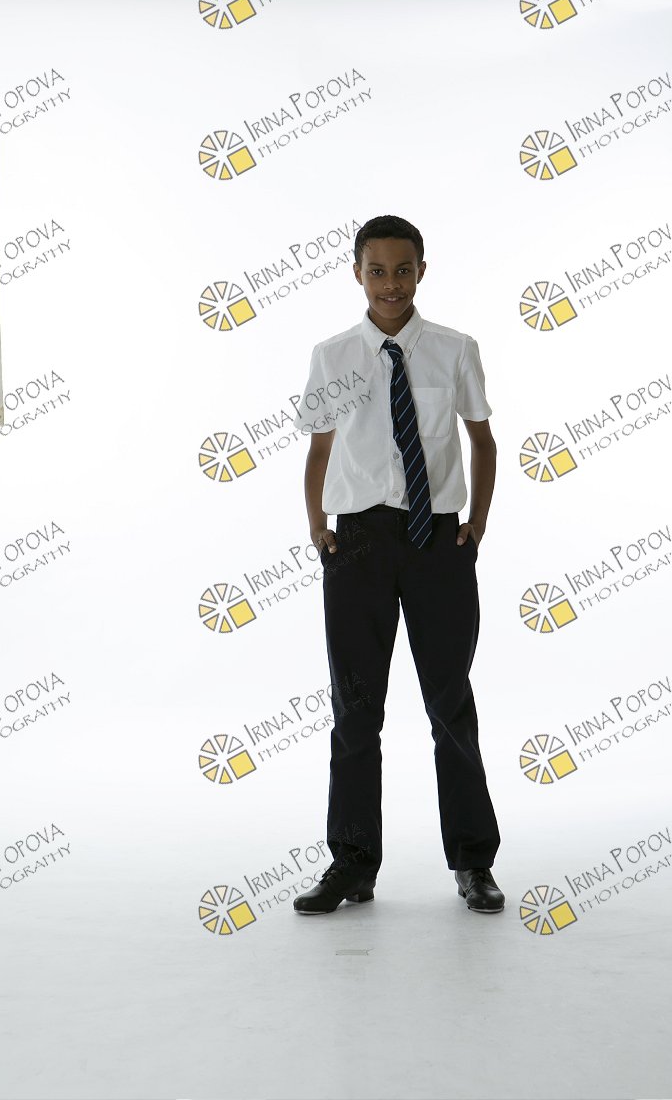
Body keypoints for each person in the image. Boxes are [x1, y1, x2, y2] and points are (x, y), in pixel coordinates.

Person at [290, 214, 503, 916]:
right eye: (376, 270)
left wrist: (476, 523)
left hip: (438, 542)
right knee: (355, 710)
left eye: (403, 270)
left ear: (421, 271)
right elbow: (320, 449)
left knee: (450, 704)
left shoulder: (454, 349)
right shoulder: (333, 356)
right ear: (357, 273)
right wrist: (318, 527)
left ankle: (474, 861)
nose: (390, 283)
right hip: (357, 545)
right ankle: (352, 864)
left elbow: (482, 440)